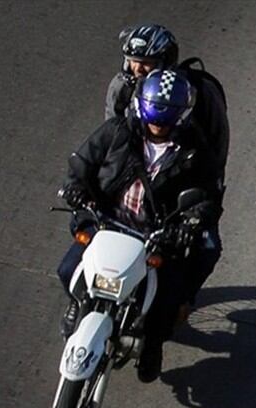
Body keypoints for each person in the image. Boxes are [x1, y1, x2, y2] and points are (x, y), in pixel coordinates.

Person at [58, 70, 222, 383]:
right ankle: (78, 304)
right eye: (153, 120)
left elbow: (208, 196)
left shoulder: (196, 152)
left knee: (166, 303)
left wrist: (191, 221)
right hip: (105, 221)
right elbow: (81, 163)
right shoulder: (115, 131)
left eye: (165, 121)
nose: (157, 127)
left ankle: (153, 347)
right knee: (68, 270)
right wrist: (75, 188)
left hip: (157, 237)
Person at [105, 23, 229, 321]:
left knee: (207, 247)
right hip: (132, 178)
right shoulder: (121, 86)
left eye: (145, 63)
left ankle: (183, 301)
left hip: (182, 177)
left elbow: (217, 147)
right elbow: (108, 139)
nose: (136, 68)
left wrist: (205, 198)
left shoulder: (200, 94)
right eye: (132, 60)